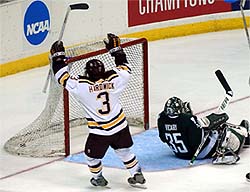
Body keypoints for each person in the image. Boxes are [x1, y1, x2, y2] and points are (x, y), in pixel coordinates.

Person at [50, 33, 146, 187]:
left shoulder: (82, 86)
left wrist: (58, 56)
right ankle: (136, 173)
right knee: (125, 152)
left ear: (88, 73)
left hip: (100, 132)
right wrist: (116, 49)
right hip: (120, 127)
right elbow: (125, 67)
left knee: (91, 157)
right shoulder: (115, 79)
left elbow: (62, 76)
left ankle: (98, 177)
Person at [157, 96, 249, 164]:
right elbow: (197, 141)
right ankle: (244, 138)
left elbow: (163, 138)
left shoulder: (161, 119)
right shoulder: (187, 120)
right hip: (197, 154)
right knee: (222, 130)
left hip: (179, 153)